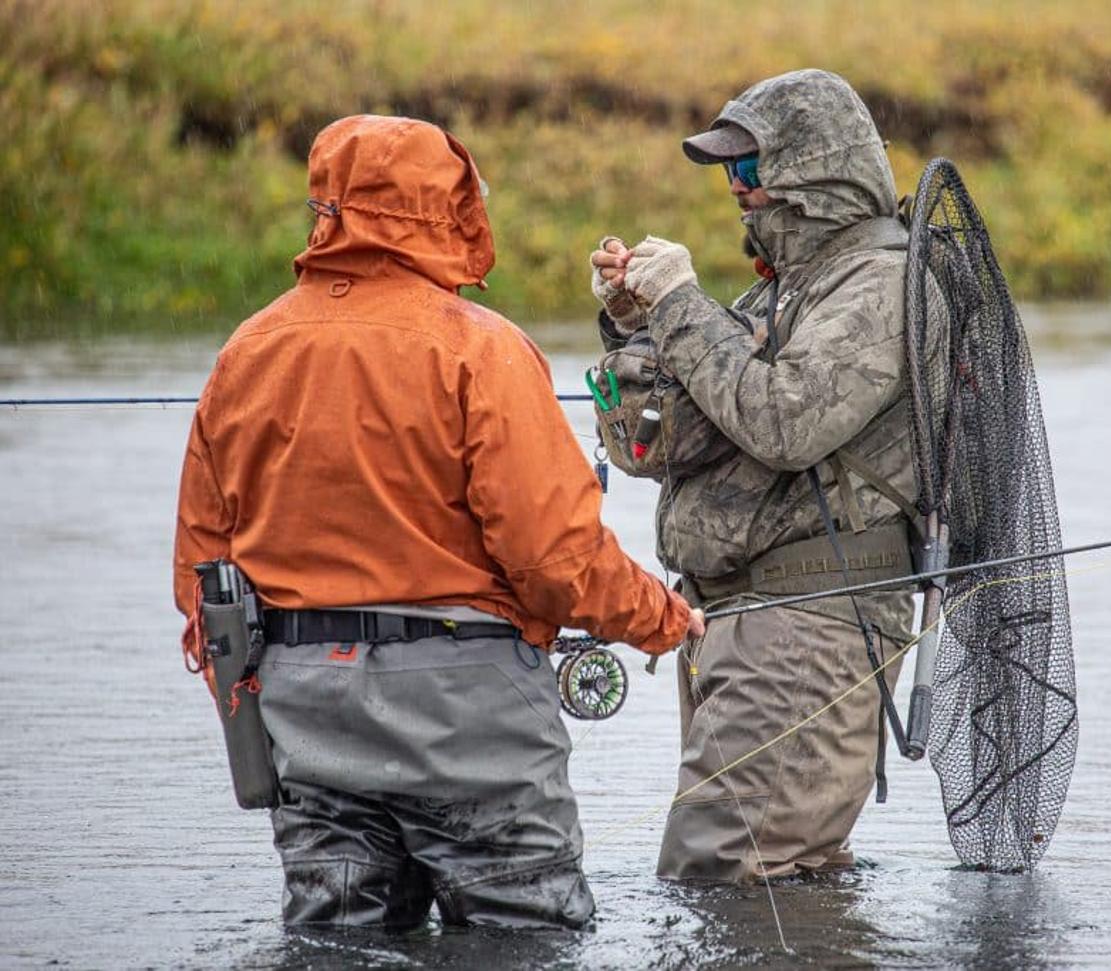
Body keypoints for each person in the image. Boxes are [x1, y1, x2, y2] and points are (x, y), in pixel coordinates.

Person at [173, 114, 702, 929]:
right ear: (445, 208)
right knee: (523, 938)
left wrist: (256, 695)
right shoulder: (481, 350)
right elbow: (554, 560)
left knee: (335, 942)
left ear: (330, 208)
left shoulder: (246, 352)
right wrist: (663, 618)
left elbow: (202, 575)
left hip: (301, 710)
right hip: (469, 715)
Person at [589, 69, 918, 881]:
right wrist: (635, 324)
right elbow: (656, 449)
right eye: (729, 175)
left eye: (749, 171)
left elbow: (785, 421)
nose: (738, 193)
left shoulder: (880, 286)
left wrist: (682, 305)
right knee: (768, 881)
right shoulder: (786, 294)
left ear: (817, 175)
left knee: (727, 877)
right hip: (738, 626)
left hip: (807, 625)